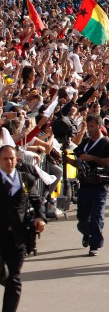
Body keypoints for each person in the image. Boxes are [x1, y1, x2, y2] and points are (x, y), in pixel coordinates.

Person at [0, 129, 45, 312]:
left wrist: (40, 218)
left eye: (12, 158)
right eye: (5, 159)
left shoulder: (25, 178)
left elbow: (36, 201)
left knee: (15, 279)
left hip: (19, 237)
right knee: (5, 275)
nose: (9, 162)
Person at [74, 114, 109, 256]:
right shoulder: (85, 142)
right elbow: (77, 157)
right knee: (82, 217)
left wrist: (92, 158)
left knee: (97, 216)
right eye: (88, 127)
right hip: (85, 184)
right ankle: (89, 233)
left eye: (92, 127)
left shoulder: (107, 143)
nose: (90, 130)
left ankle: (95, 244)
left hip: (99, 184)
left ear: (99, 126)